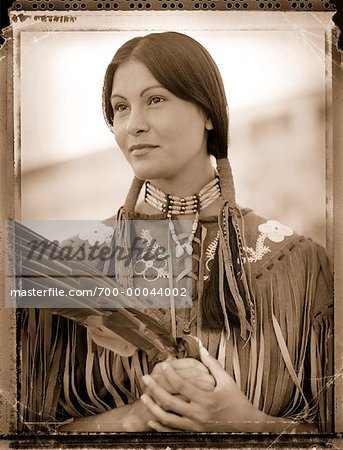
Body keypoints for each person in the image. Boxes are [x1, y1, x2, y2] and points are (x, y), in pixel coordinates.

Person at [20, 31, 333, 434]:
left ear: (207, 113)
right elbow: (22, 433)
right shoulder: (63, 269)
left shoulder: (301, 264)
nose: (133, 125)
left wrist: (244, 423)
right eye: (119, 108)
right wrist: (131, 419)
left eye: (155, 99)